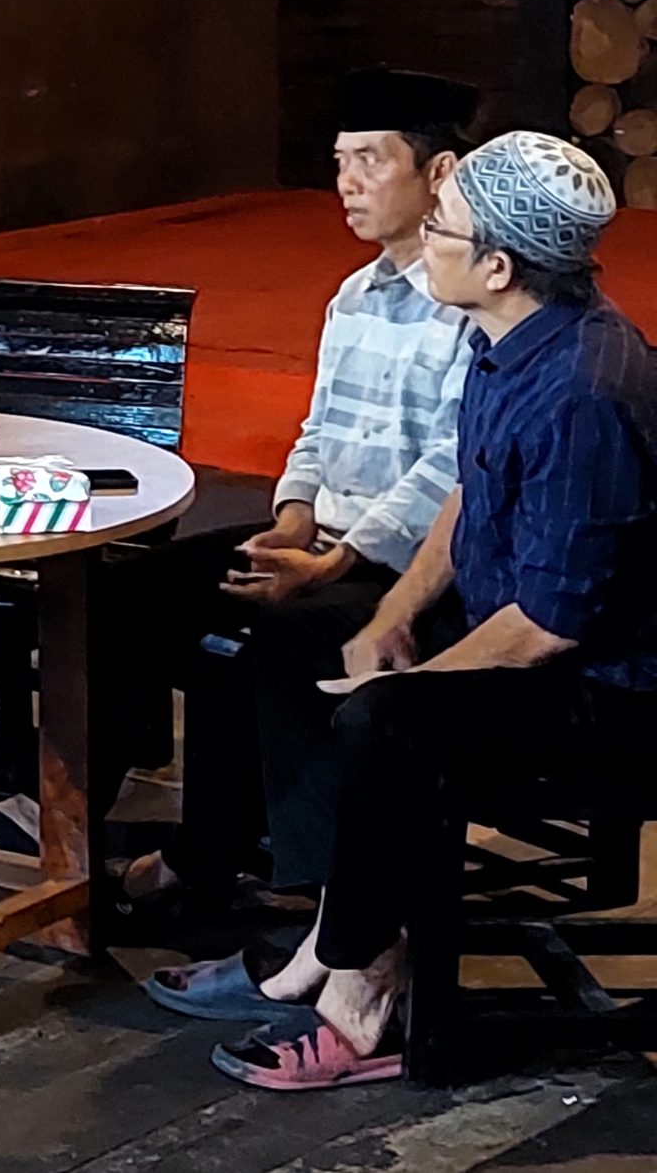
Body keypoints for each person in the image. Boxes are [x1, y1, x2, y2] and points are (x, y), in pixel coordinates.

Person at [207, 131, 657, 1091]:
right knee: (293, 637)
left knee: (385, 718)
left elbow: (551, 623)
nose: (428, 245)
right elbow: (468, 496)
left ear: (498, 266)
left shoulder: (586, 388)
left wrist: (411, 680)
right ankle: (339, 926)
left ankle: (361, 995)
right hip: (521, 628)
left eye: (443, 228)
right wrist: (389, 620)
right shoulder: (508, 339)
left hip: (607, 688)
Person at [76, 71, 475, 923]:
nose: (349, 183)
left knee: (263, 642)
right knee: (125, 595)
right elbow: (315, 432)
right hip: (322, 537)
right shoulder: (353, 296)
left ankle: (261, 886)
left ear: (439, 172)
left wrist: (333, 559)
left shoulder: (471, 304)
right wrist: (291, 522)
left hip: (407, 564)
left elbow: (452, 468)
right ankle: (63, 826)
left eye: (372, 160)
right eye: (339, 163)